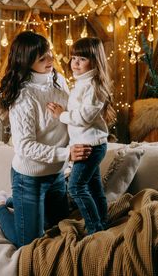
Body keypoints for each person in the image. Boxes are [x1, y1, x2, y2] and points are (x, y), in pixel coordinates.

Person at [0, 30, 92, 248]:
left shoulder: (58, 79)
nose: (51, 59)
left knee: (59, 230)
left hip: (57, 174)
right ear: (27, 62)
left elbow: (70, 116)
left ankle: (17, 202)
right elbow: (25, 147)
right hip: (30, 178)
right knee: (28, 242)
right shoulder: (23, 97)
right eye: (42, 58)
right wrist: (65, 153)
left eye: (49, 53)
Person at [47, 37, 115, 235]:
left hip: (91, 146)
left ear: (94, 61)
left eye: (81, 59)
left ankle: (95, 229)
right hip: (87, 143)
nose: (74, 63)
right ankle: (102, 223)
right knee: (93, 187)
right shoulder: (82, 83)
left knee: (76, 187)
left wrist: (62, 115)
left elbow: (84, 118)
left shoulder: (94, 86)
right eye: (73, 58)